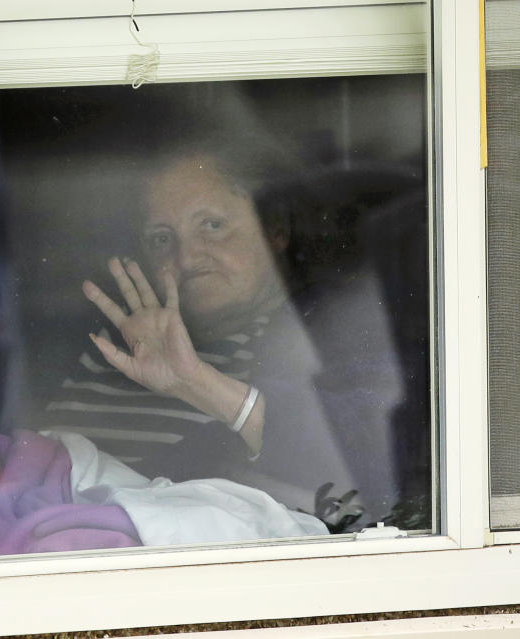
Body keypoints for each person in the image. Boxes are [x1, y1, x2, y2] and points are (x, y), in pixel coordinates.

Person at [44, 150, 425, 532]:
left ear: (273, 229)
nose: (188, 257)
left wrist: (194, 382)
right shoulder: (122, 341)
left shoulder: (320, 338)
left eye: (212, 225)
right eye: (162, 238)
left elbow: (369, 480)